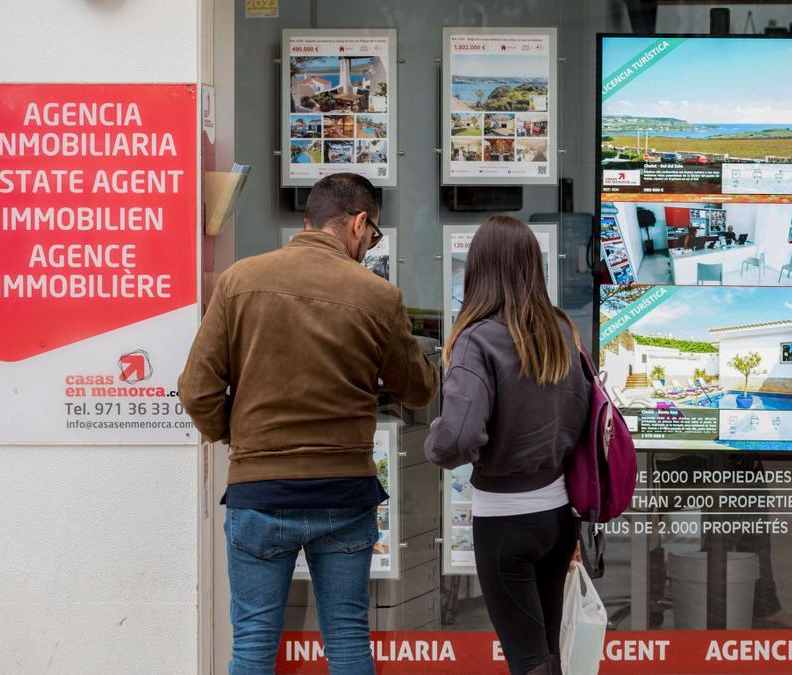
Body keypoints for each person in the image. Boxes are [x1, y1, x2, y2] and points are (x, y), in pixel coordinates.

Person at [179, 173, 437, 675]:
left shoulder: (238, 282)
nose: (369, 246)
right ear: (359, 223)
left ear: (309, 222)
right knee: (346, 638)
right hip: (344, 493)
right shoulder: (377, 295)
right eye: (373, 235)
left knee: (253, 642)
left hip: (259, 493)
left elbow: (196, 390)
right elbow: (420, 390)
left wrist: (239, 438)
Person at [424, 215, 590, 675]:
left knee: (527, 660)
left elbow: (458, 436)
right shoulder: (562, 331)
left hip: (504, 521)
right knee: (550, 653)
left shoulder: (477, 338)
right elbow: (580, 417)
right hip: (557, 518)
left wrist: (434, 446)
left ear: (479, 270)